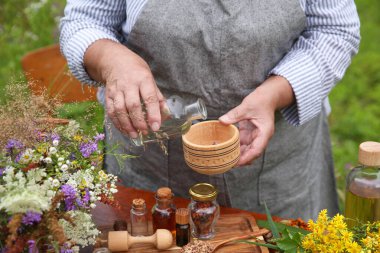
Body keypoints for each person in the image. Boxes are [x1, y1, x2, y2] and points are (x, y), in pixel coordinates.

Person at [60, 0, 360, 220]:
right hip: (152, 161)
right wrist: (113, 60)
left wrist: (276, 92)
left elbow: (335, 30)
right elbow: (84, 21)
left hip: (279, 166)